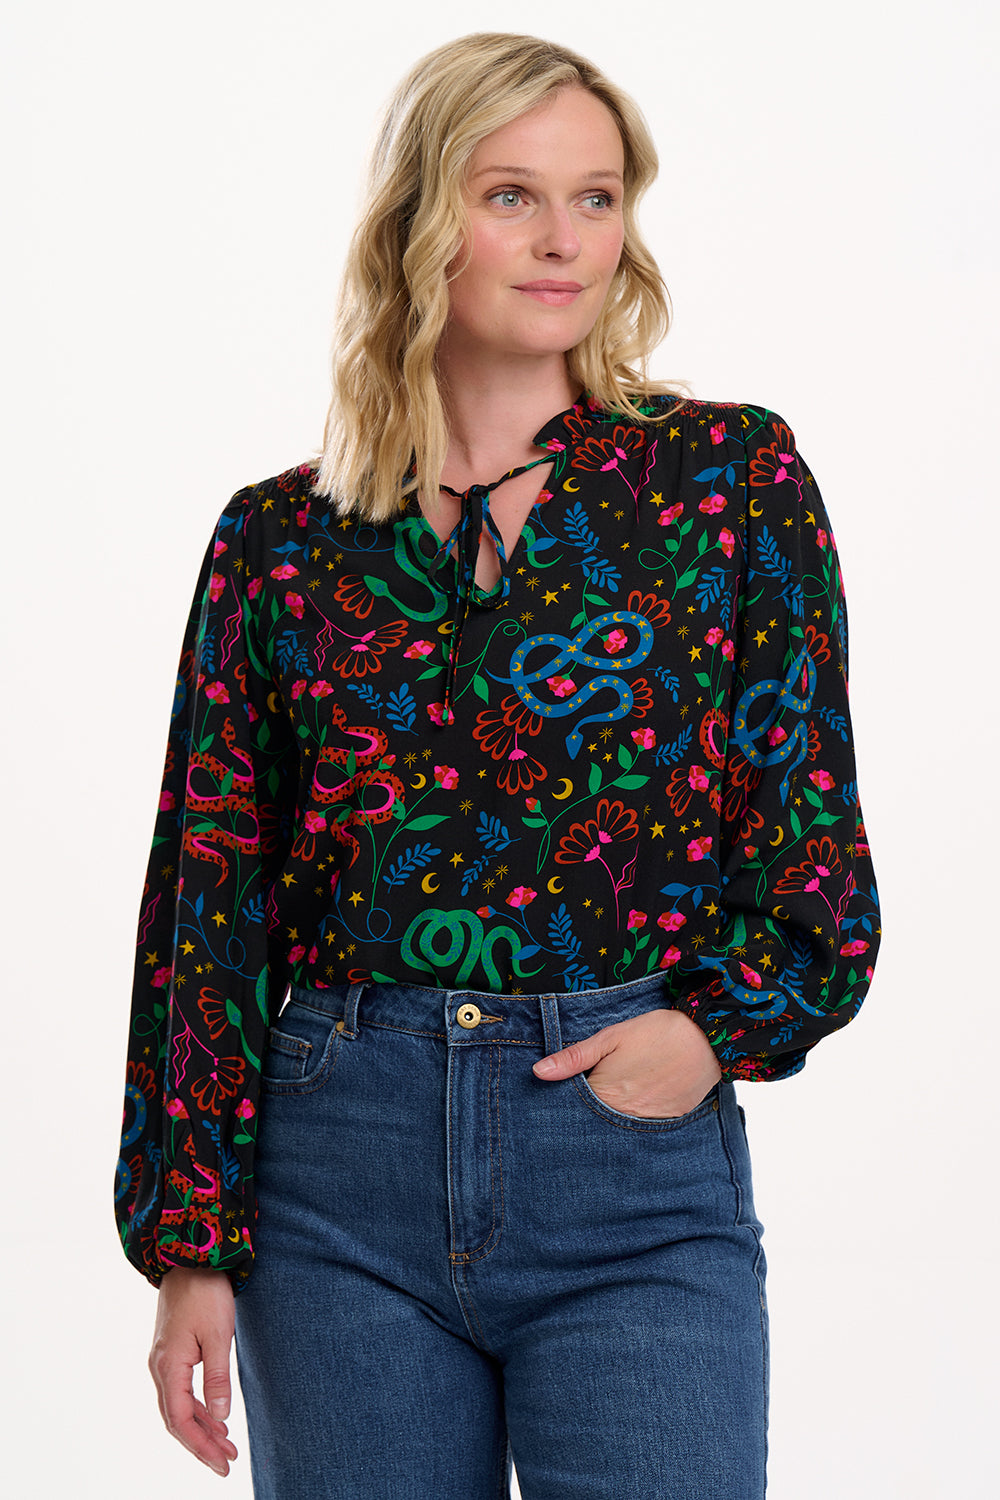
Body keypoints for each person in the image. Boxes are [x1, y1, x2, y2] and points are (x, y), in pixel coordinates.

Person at [116, 31, 880, 1500]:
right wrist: (190, 1243)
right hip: (337, 1179)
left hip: (629, 1171)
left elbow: (811, 842)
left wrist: (713, 1033)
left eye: (597, 199)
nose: (563, 240)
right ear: (421, 226)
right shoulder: (283, 542)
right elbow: (207, 901)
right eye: (512, 195)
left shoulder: (730, 484)